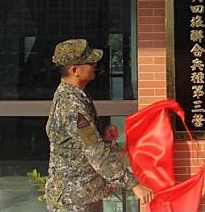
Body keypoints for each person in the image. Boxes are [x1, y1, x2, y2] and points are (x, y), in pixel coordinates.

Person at [45, 38, 153, 212]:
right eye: (90, 62)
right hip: (75, 199)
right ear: (75, 70)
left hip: (81, 193)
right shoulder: (72, 105)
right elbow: (96, 153)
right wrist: (133, 184)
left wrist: (101, 137)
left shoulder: (73, 95)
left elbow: (77, 143)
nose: (95, 64)